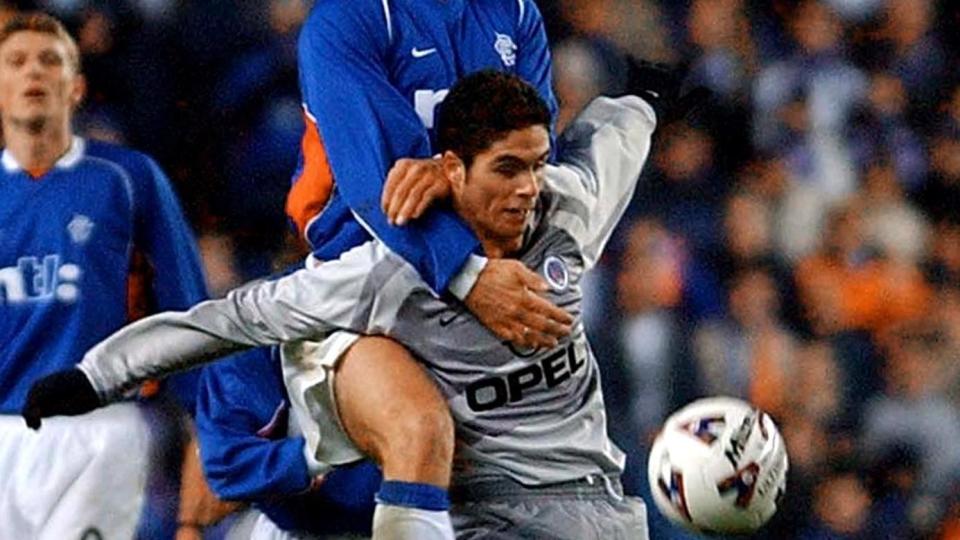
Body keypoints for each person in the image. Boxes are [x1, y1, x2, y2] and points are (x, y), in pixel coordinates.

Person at [25, 70, 691, 538]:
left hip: (598, 508)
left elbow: (615, 142)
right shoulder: (386, 273)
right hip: (480, 514)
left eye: (538, 164)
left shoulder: (566, 211)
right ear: (452, 169)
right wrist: (96, 374)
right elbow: (229, 322)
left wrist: (647, 94)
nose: (528, 188)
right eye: (507, 169)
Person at [267, 2, 574, 534]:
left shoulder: (517, 13)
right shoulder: (351, 20)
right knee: (415, 431)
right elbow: (378, 185)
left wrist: (444, 170)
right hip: (361, 288)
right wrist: (467, 275)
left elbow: (535, 156)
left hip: (485, 277)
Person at [0, 12, 218, 539]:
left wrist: (208, 432)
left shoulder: (127, 179)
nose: (35, 72)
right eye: (17, 61)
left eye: (51, 60)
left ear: (76, 88)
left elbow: (186, 314)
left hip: (99, 429)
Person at [195, 346, 382, 539]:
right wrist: (321, 454)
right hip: (293, 529)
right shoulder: (244, 352)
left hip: (390, 518)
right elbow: (224, 467)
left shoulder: (386, 333)